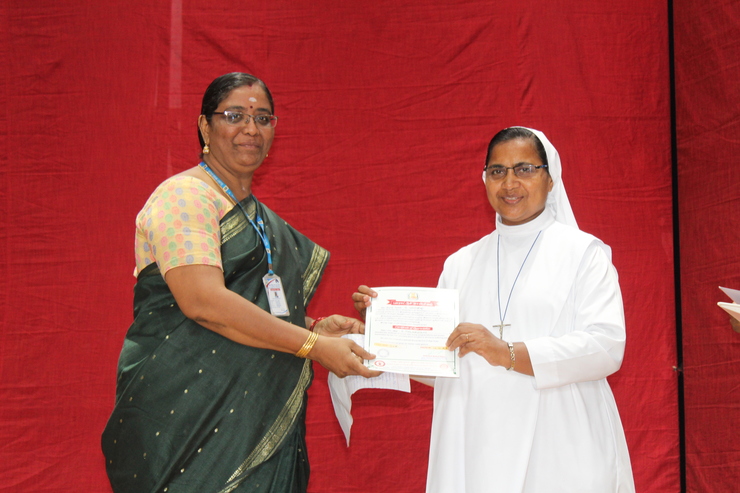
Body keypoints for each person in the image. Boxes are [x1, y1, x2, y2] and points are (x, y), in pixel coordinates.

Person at [102, 72, 379, 493]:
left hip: (253, 424)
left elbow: (251, 309)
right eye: (234, 116)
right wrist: (313, 346)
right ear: (204, 126)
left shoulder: (260, 219)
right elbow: (204, 303)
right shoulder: (184, 196)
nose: (251, 129)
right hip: (184, 422)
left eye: (263, 118)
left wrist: (313, 329)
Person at [354, 127, 635, 492]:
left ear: (551, 178)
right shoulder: (461, 263)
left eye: (525, 169)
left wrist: (506, 352)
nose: (510, 183)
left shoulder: (584, 253)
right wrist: (381, 334)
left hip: (561, 442)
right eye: (497, 171)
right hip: (477, 442)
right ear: (484, 179)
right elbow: (444, 363)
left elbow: (606, 347)